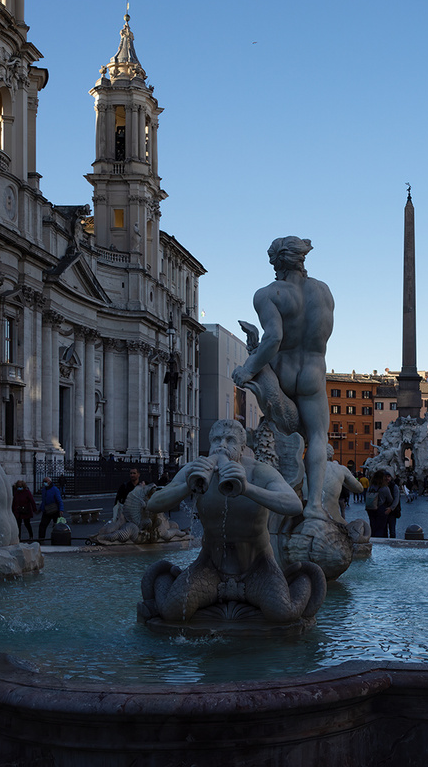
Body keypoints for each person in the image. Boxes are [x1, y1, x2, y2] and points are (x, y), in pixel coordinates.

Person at [142, 419, 320, 623]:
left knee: (282, 612)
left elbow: (294, 505)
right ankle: (166, 577)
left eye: (230, 440)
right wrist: (187, 486)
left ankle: (300, 579)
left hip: (257, 567)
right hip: (211, 566)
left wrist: (247, 488)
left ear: (243, 447)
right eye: (217, 439)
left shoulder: (258, 472)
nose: (222, 445)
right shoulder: (196, 470)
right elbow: (154, 504)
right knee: (174, 611)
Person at [231, 236, 335, 522]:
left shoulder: (268, 294)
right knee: (317, 436)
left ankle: (275, 501)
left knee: (274, 437)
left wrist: (249, 368)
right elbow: (323, 335)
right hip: (314, 371)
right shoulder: (323, 292)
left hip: (283, 372)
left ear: (277, 262)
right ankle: (314, 504)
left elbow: (274, 337)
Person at [38, 476, 64, 541]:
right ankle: (41, 539)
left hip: (55, 510)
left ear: (49, 482)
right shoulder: (44, 490)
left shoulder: (55, 489)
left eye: (45, 481)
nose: (44, 483)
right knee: (42, 525)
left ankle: (58, 539)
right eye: (43, 481)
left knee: (56, 526)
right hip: (46, 510)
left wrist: (61, 509)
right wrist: (40, 509)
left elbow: (59, 500)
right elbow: (43, 501)